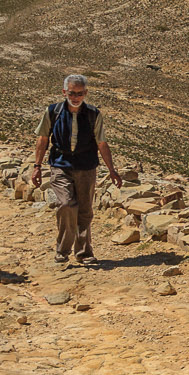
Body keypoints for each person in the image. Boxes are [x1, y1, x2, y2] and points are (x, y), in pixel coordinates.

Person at [31, 73, 121, 266]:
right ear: (64, 92)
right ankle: (63, 249)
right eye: (72, 93)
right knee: (66, 204)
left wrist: (112, 170)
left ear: (85, 93)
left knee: (85, 211)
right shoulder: (53, 112)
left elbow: (102, 142)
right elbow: (42, 139)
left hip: (86, 166)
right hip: (60, 164)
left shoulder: (93, 114)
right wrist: (37, 166)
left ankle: (84, 252)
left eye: (80, 93)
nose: (75, 97)